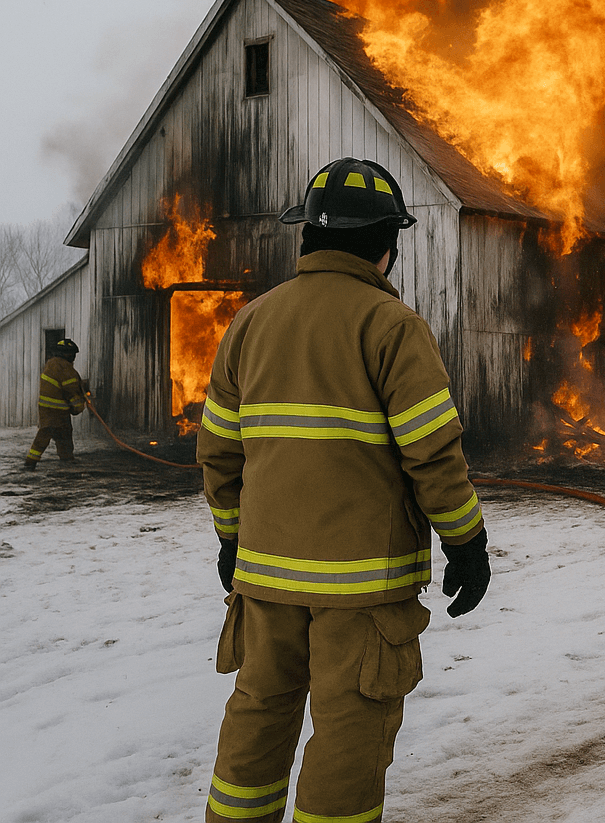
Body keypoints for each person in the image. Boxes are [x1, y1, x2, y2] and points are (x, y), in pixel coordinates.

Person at [199, 157, 492, 822]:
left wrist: (231, 537)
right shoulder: (391, 327)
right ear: (386, 244)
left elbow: (218, 452)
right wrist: (466, 541)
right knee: (349, 733)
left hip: (265, 580)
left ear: (306, 236)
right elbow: (434, 456)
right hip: (360, 590)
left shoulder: (250, 324)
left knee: (259, 712)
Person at [24, 338, 86, 469]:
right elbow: (71, 390)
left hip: (48, 411)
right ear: (67, 354)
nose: (74, 358)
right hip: (58, 412)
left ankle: (32, 463)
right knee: (51, 437)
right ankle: (32, 464)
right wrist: (79, 406)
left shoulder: (51, 364)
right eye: (72, 354)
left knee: (58, 436)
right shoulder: (65, 368)